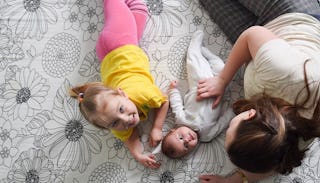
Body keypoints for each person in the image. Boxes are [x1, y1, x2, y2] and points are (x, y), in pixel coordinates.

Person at [197, 13, 320, 183]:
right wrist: (222, 79)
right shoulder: (283, 72)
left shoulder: (283, 149)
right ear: (250, 114)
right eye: (230, 128)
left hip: (259, 49)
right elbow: (251, 34)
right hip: (291, 16)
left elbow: (266, 164)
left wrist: (232, 180)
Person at [69, 0, 169, 169]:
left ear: (121, 93)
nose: (125, 120)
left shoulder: (141, 93)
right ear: (108, 127)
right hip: (109, 54)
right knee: (139, 8)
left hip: (119, 40)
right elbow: (129, 137)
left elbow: (164, 100)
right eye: (115, 123)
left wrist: (157, 128)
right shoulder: (112, 121)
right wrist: (138, 154)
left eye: (121, 109)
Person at [161, 30, 234, 158]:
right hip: (220, 89)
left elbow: (176, 104)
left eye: (180, 137)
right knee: (222, 67)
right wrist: (234, 110)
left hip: (199, 83)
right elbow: (223, 122)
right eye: (186, 146)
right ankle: (206, 53)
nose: (187, 140)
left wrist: (173, 90)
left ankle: (196, 43)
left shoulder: (182, 119)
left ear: (174, 129)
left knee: (192, 59)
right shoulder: (207, 136)